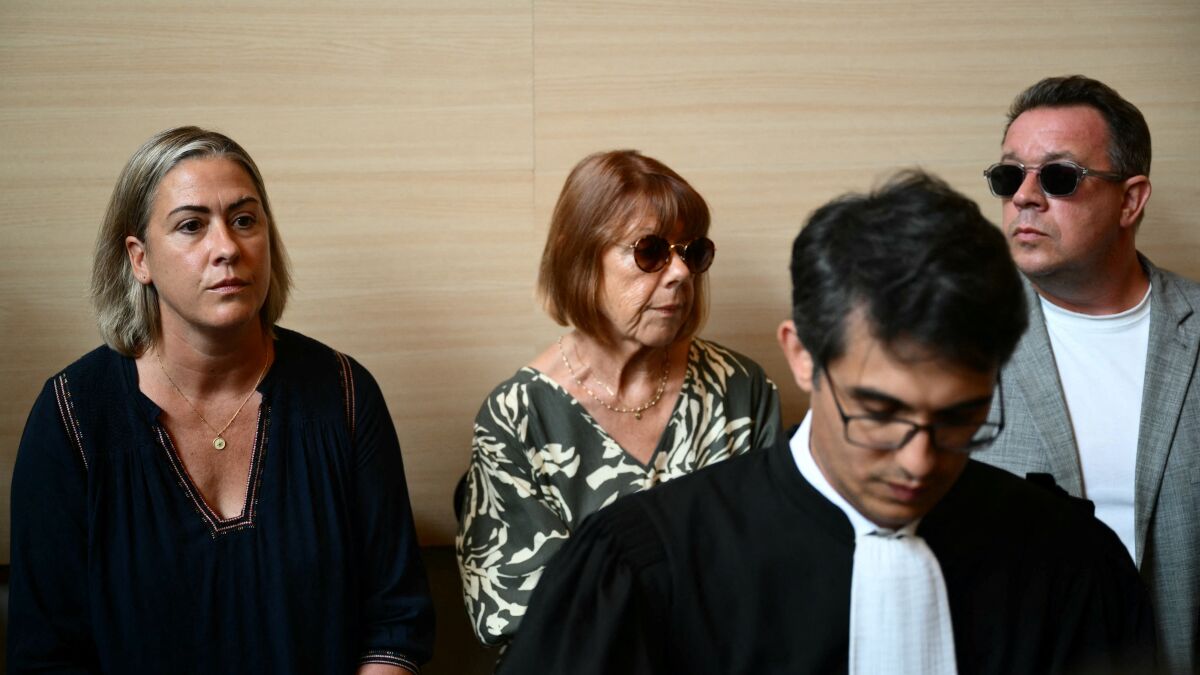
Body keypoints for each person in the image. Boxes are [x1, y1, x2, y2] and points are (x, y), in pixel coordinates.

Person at [497, 171, 1156, 675]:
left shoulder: (1074, 565)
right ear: (803, 356)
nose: (918, 461)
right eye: (879, 413)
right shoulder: (641, 566)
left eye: (959, 418)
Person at [8, 127, 434, 674]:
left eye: (245, 220)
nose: (227, 248)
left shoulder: (345, 393)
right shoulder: (73, 416)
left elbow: (395, 623)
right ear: (139, 259)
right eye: (191, 226)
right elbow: (45, 655)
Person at [454, 149, 782, 649]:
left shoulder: (740, 388)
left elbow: (778, 569)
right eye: (650, 251)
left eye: (692, 252)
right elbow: (517, 617)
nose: (680, 273)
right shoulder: (517, 417)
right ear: (578, 257)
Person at [976, 75, 1200, 675]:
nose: (1025, 197)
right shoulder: (956, 335)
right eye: (1009, 176)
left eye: (1058, 177)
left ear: (1130, 201)